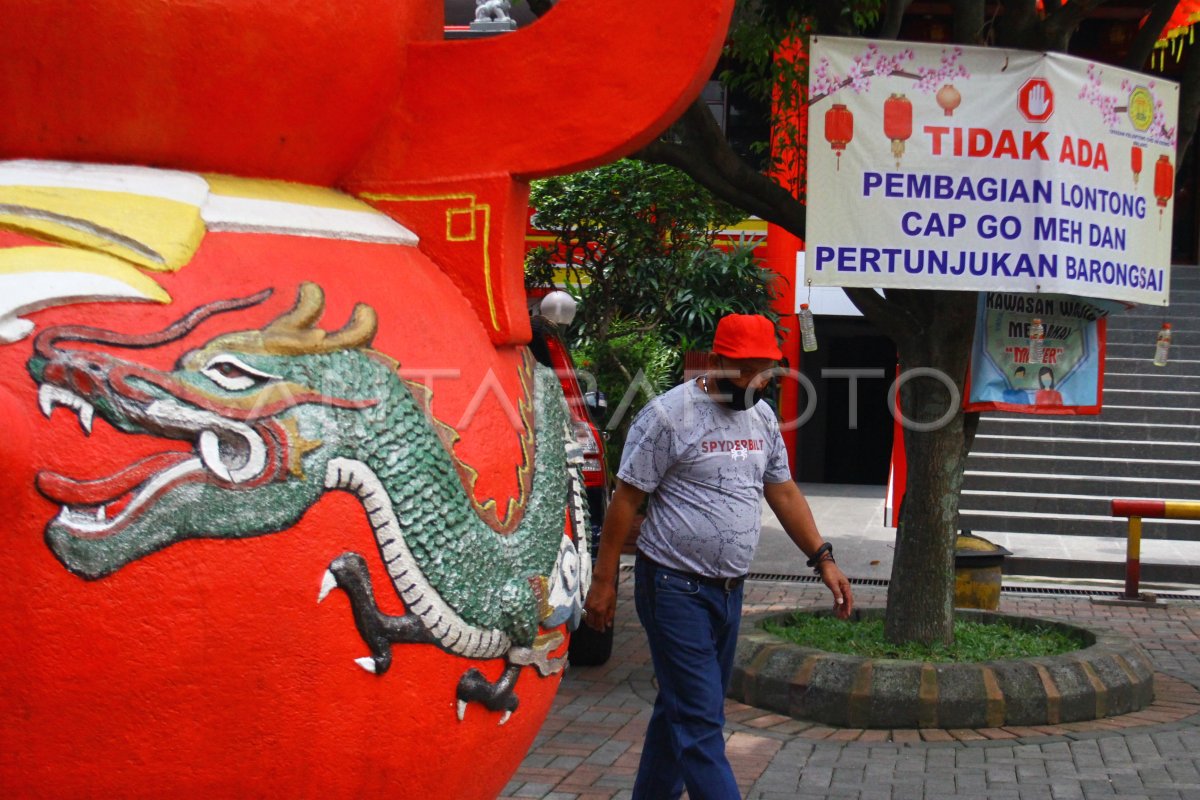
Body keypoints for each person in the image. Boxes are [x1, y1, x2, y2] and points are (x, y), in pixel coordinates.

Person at [582, 313, 854, 800]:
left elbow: (784, 492)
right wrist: (604, 583)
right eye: (744, 369)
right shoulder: (668, 417)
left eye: (765, 369)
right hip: (672, 588)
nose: (755, 381)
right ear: (716, 361)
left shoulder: (764, 417)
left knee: (680, 710)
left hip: (729, 591)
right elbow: (625, 500)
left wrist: (823, 557)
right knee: (702, 722)